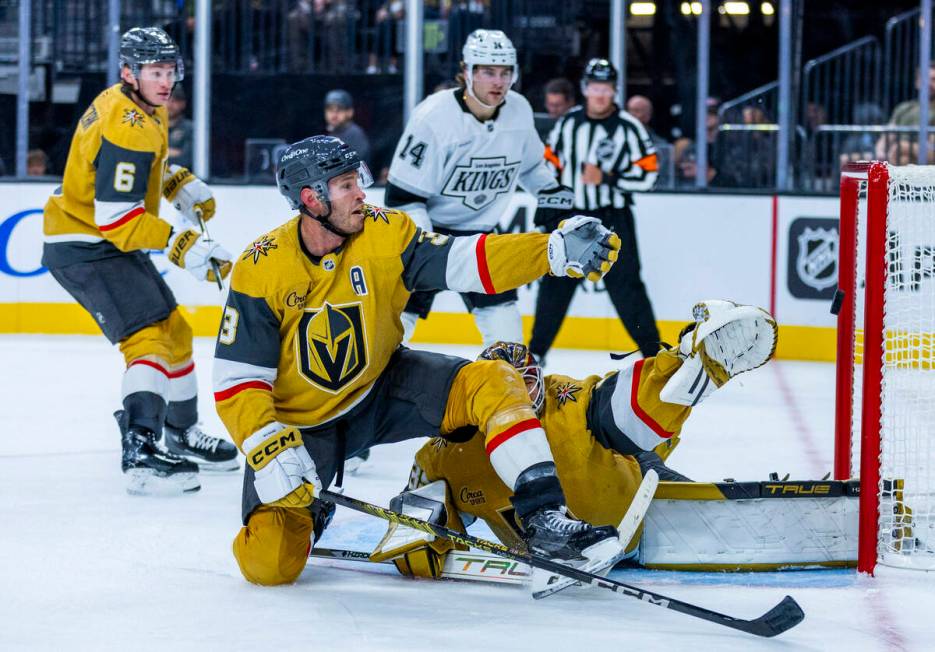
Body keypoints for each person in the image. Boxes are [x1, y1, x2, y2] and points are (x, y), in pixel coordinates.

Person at [215, 135, 623, 586]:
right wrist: (268, 445)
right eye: (347, 185)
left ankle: (545, 516)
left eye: (359, 181)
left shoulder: (386, 230)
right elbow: (238, 379)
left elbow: (465, 260)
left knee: (492, 380)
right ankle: (314, 512)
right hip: (303, 426)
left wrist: (548, 251)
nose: (361, 194)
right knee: (268, 566)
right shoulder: (260, 266)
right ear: (311, 198)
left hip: (384, 387)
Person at [371, 300, 778, 577]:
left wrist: (675, 369)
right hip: (582, 534)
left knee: (648, 456)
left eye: (526, 386)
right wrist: (419, 537)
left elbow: (614, 408)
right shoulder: (445, 451)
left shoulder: (565, 397)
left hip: (635, 485)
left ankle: (689, 362)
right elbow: (417, 517)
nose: (520, 402)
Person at [41, 27, 239, 496]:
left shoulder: (138, 106)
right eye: (155, 71)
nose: (166, 80)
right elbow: (117, 217)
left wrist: (173, 183)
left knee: (176, 330)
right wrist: (183, 245)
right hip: (87, 245)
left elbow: (125, 175)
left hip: (100, 241)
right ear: (129, 72)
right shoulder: (125, 122)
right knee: (147, 338)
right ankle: (142, 450)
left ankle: (181, 432)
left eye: (170, 71)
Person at [385, 29, 575, 348]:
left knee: (508, 336)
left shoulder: (519, 109)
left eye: (505, 72)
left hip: (483, 235)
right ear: (466, 72)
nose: (498, 82)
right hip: (429, 233)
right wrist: (427, 249)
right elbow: (402, 197)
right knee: (396, 328)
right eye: (488, 72)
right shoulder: (433, 117)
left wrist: (552, 196)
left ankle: (506, 394)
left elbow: (529, 166)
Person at [530, 58, 660, 364]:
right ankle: (536, 353)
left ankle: (655, 356)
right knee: (555, 285)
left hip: (614, 218)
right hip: (574, 219)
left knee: (627, 288)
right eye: (596, 87)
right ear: (586, 89)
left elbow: (650, 174)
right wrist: (550, 214)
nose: (601, 94)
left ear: (615, 90)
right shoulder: (568, 124)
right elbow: (548, 169)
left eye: (607, 88)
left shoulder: (629, 128)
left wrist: (609, 178)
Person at [324, 89, 371, 167]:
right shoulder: (331, 132)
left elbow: (355, 167)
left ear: (350, 112)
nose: (334, 115)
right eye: (330, 109)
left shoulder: (355, 134)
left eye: (339, 109)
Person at [167, 85, 194, 168]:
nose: (169, 105)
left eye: (174, 101)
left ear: (183, 103)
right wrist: (172, 152)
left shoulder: (191, 128)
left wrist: (160, 153)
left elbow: (186, 160)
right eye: (166, 100)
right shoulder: (152, 127)